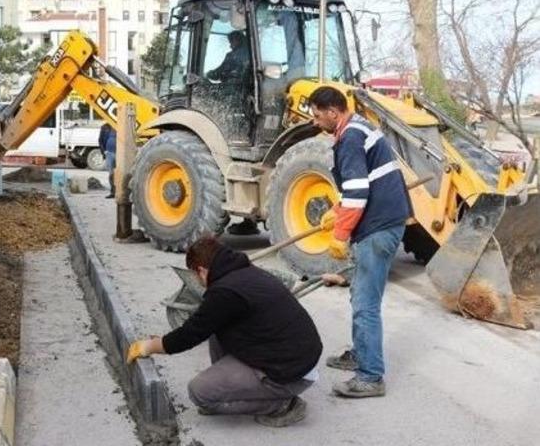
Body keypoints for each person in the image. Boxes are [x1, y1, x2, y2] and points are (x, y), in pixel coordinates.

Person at [127, 236, 322, 427]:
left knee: (200, 393)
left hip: (290, 372)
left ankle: (282, 404)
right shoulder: (244, 271)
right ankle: (235, 388)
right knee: (216, 329)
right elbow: (203, 325)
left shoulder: (225, 292)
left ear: (202, 271)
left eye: (195, 274)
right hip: (294, 355)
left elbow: (189, 335)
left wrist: (150, 346)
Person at [308, 86, 411, 398]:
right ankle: (361, 353)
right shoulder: (358, 128)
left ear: (333, 112)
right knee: (360, 294)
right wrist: (336, 212)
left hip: (378, 227)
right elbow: (361, 186)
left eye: (317, 115)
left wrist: (339, 235)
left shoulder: (351, 137)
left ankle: (370, 376)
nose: (314, 122)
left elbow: (357, 193)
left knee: (365, 303)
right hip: (384, 220)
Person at [98, 123, 117, 199]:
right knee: (111, 174)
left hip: (120, 154)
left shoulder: (122, 125)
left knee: (120, 173)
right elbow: (100, 140)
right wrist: (104, 151)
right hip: (109, 153)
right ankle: (113, 192)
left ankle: (120, 192)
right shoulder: (105, 127)